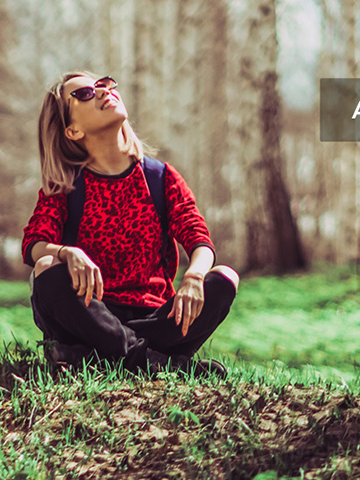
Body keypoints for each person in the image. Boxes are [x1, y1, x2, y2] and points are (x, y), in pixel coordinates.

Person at [20, 71, 238, 377]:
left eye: (104, 84)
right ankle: (155, 362)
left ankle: (100, 357)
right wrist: (66, 252)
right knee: (46, 266)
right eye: (83, 93)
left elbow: (199, 239)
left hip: (156, 319)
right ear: (72, 131)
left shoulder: (161, 178)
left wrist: (194, 277)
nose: (102, 92)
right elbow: (33, 244)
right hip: (90, 314)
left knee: (225, 278)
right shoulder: (66, 185)